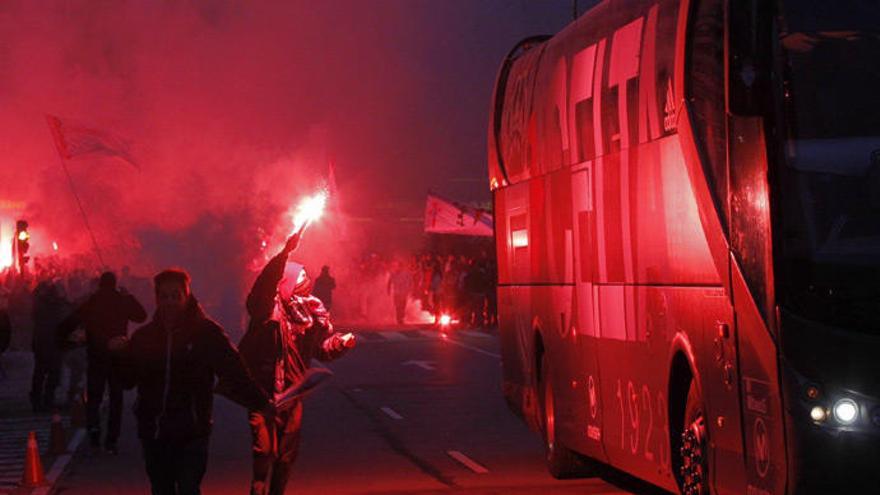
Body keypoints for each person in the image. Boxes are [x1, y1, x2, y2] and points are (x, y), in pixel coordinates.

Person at [123, 269, 272, 495]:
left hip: (192, 431)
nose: (170, 302)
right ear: (156, 299)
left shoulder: (206, 333)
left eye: (176, 295)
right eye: (164, 296)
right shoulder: (145, 337)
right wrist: (120, 355)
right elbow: (127, 380)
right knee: (161, 489)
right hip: (154, 432)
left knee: (189, 488)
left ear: (186, 296)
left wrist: (261, 402)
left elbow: (234, 371)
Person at [239, 232, 354, 495]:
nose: (306, 278)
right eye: (298, 274)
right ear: (285, 280)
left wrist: (340, 343)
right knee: (264, 450)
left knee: (286, 455)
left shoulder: (310, 313)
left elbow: (321, 350)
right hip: (262, 392)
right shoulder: (265, 308)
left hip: (293, 393)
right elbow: (263, 287)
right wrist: (284, 253)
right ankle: (258, 488)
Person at [58, 271, 147, 453]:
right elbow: (141, 316)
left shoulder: (92, 302)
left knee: (94, 399)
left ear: (100, 284)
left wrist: (70, 342)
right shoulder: (122, 300)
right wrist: (128, 296)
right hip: (117, 357)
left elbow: (67, 324)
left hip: (96, 356)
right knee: (116, 399)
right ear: (114, 284)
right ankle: (111, 441)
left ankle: (94, 436)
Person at [30, 281, 70, 412]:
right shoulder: (51, 306)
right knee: (48, 373)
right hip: (49, 343)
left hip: (45, 343)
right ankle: (44, 399)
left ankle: (40, 399)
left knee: (43, 373)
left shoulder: (40, 304)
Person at [387, 260, 412, 325]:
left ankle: (401, 317)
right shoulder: (393, 274)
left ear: (402, 267)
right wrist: (388, 289)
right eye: (397, 266)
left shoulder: (406, 274)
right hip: (397, 293)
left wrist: (409, 289)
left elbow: (410, 281)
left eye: (399, 266)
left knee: (403, 306)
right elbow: (389, 282)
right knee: (397, 306)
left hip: (404, 293)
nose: (398, 268)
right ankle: (399, 319)